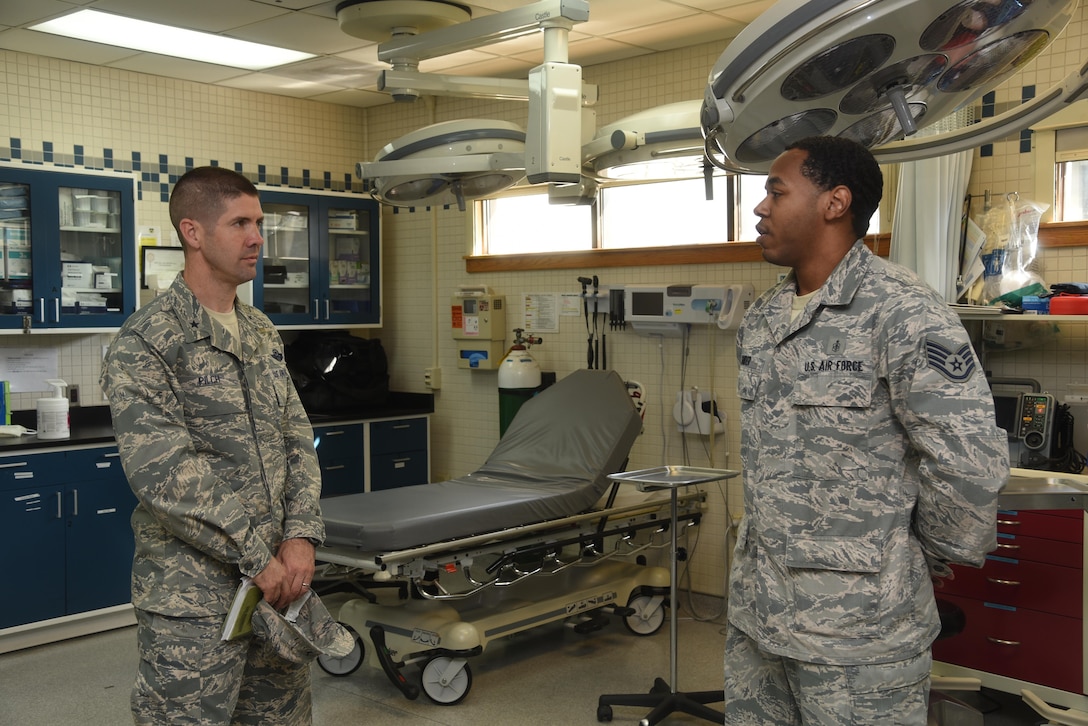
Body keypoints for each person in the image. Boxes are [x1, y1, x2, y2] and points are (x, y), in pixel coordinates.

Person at [725, 136, 1008, 725]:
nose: (760, 208)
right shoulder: (764, 318)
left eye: (776, 191)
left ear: (835, 202)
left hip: (859, 635)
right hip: (761, 617)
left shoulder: (903, 310)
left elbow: (967, 462)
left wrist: (908, 561)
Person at [101, 166, 326, 725]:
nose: (256, 237)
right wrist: (258, 558)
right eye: (240, 223)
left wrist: (299, 536)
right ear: (193, 232)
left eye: (259, 223)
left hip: (277, 590)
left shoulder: (260, 331)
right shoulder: (146, 342)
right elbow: (167, 475)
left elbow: (297, 436)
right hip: (192, 602)